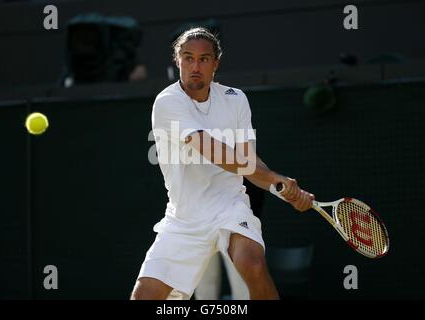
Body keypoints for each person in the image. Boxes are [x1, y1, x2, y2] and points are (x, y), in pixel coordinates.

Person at [130, 27, 314, 300]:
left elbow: (248, 161)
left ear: (215, 64)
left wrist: (280, 188)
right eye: (188, 57)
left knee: (252, 263)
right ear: (177, 61)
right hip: (184, 219)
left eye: (204, 59)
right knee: (144, 297)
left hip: (230, 206)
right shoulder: (168, 102)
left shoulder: (235, 99)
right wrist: (276, 179)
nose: (195, 65)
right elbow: (215, 153)